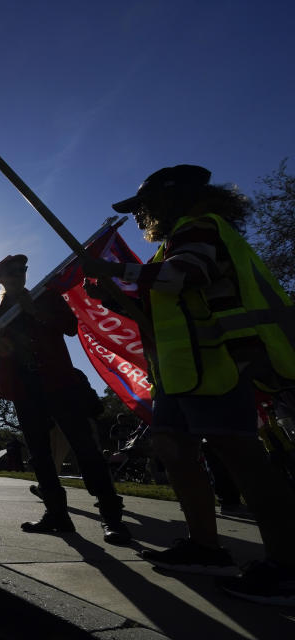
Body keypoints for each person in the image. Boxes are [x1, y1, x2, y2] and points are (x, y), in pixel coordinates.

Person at [83, 164, 295, 604]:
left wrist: (114, 269)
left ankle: (287, 566)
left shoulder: (200, 228)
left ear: (170, 199)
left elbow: (185, 276)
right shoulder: (175, 242)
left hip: (218, 366)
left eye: (145, 207)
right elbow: (162, 302)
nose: (143, 217)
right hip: (180, 374)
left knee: (244, 460)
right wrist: (113, 293)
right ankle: (205, 547)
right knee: (171, 447)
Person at [0, 254, 131, 544]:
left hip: (59, 383)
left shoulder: (45, 297)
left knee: (84, 447)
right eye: (11, 273)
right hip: (25, 389)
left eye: (22, 271)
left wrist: (34, 311)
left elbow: (70, 327)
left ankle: (112, 517)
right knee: (39, 455)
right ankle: (57, 515)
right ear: (0, 279)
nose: (18, 276)